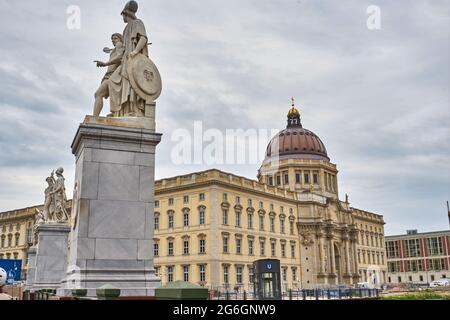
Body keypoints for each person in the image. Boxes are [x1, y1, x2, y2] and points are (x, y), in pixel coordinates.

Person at [108, 1, 149, 117]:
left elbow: (143, 39)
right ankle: (119, 111)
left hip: (134, 60)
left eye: (123, 15)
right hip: (125, 61)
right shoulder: (126, 29)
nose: (122, 18)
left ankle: (134, 110)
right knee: (113, 81)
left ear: (126, 14)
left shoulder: (138, 23)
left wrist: (135, 51)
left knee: (132, 84)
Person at [93, 33, 125, 117]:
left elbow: (120, 57)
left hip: (113, 75)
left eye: (115, 38)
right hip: (110, 75)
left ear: (120, 39)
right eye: (112, 39)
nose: (113, 40)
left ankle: (95, 118)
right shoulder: (115, 48)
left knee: (98, 94)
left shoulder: (119, 44)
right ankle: (115, 112)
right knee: (102, 94)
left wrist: (105, 64)